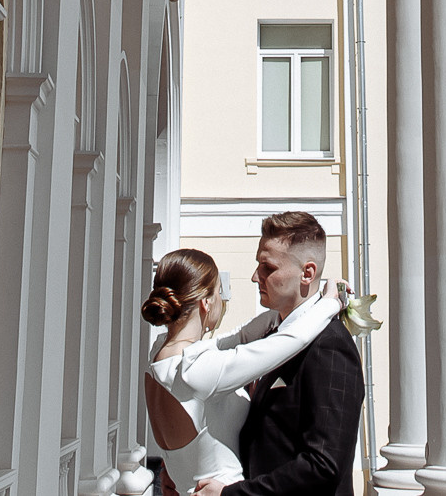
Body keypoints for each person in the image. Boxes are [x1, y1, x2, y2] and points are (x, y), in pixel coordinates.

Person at [140, 241, 344, 496]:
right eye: (218, 292)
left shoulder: (160, 356)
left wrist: (284, 310)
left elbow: (238, 337)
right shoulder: (198, 371)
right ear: (206, 303)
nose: (222, 299)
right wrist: (330, 303)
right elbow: (291, 341)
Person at [187, 211, 364, 496]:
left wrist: (231, 495)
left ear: (307, 273)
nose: (256, 276)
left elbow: (324, 465)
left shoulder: (330, 345)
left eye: (268, 267)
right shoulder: (273, 336)